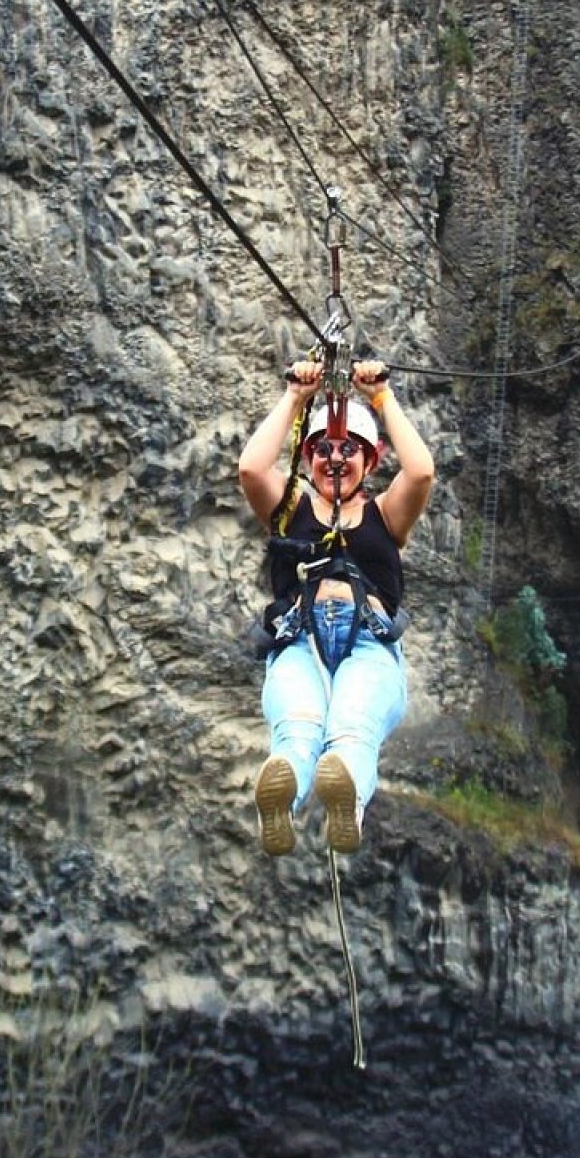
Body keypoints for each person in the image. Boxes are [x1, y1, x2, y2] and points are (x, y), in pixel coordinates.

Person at [237, 358, 435, 855]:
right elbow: (250, 468)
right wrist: (295, 399)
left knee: (350, 728)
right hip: (299, 639)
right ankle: (282, 799)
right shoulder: (290, 509)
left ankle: (346, 799)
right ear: (308, 458)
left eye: (350, 449)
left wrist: (382, 399)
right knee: (298, 729)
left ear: (370, 460)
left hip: (369, 643)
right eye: (323, 449)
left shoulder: (385, 514)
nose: (335, 458)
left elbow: (422, 471)